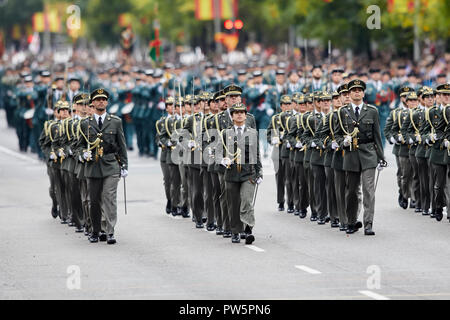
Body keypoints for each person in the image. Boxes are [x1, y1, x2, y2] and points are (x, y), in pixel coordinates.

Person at [334, 79, 385, 235]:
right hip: (351, 154)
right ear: (349, 93)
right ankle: (351, 221)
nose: (357, 92)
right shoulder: (343, 112)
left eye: (359, 90)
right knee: (351, 191)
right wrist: (343, 141)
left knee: (368, 190)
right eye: (354, 90)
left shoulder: (372, 111)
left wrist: (381, 157)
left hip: (369, 153)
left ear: (363, 93)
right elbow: (336, 134)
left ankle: (368, 223)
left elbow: (377, 135)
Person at [77, 88, 128, 244]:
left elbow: (122, 144)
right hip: (93, 166)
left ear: (107, 102)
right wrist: (82, 154)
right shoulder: (85, 123)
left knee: (109, 197)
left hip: (111, 164)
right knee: (94, 200)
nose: (101, 102)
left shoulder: (116, 121)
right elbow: (79, 145)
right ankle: (96, 230)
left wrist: (124, 165)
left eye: (104, 99)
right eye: (98, 99)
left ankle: (109, 231)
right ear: (92, 103)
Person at [220, 103, 263, 244]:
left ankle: (248, 229)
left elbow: (256, 154)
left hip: (248, 173)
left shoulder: (252, 132)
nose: (239, 114)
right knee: (233, 203)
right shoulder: (225, 133)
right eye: (236, 112)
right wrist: (223, 159)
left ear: (246, 115)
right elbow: (219, 151)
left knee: (246, 201)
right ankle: (235, 231)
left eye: (242, 112)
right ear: (232, 116)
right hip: (231, 173)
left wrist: (259, 172)